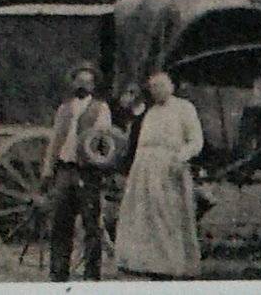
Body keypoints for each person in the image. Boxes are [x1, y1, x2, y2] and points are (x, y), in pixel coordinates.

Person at [114, 70, 203, 278]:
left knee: (167, 215)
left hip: (169, 168)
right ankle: (144, 261)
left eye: (161, 85)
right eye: (153, 87)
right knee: (143, 215)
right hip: (144, 170)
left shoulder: (184, 108)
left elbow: (196, 140)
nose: (157, 90)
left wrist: (181, 157)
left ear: (171, 86)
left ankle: (171, 264)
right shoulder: (150, 112)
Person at [42, 62, 113, 282]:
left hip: (87, 172)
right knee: (60, 224)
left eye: (87, 82)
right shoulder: (64, 109)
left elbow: (104, 140)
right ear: (73, 83)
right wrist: (48, 169)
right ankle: (58, 274)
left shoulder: (101, 109)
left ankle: (91, 276)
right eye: (79, 81)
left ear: (93, 85)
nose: (83, 85)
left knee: (91, 225)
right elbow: (55, 140)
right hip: (65, 170)